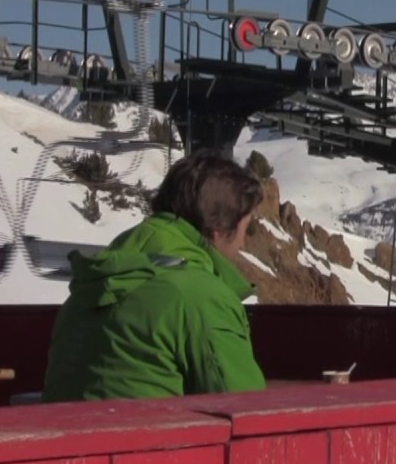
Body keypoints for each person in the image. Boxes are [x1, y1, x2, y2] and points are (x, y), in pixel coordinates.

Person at [43, 149, 268, 401]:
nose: (243, 245)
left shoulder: (94, 285)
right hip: (148, 439)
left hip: (70, 437)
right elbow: (245, 408)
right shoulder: (200, 298)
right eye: (245, 230)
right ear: (218, 228)